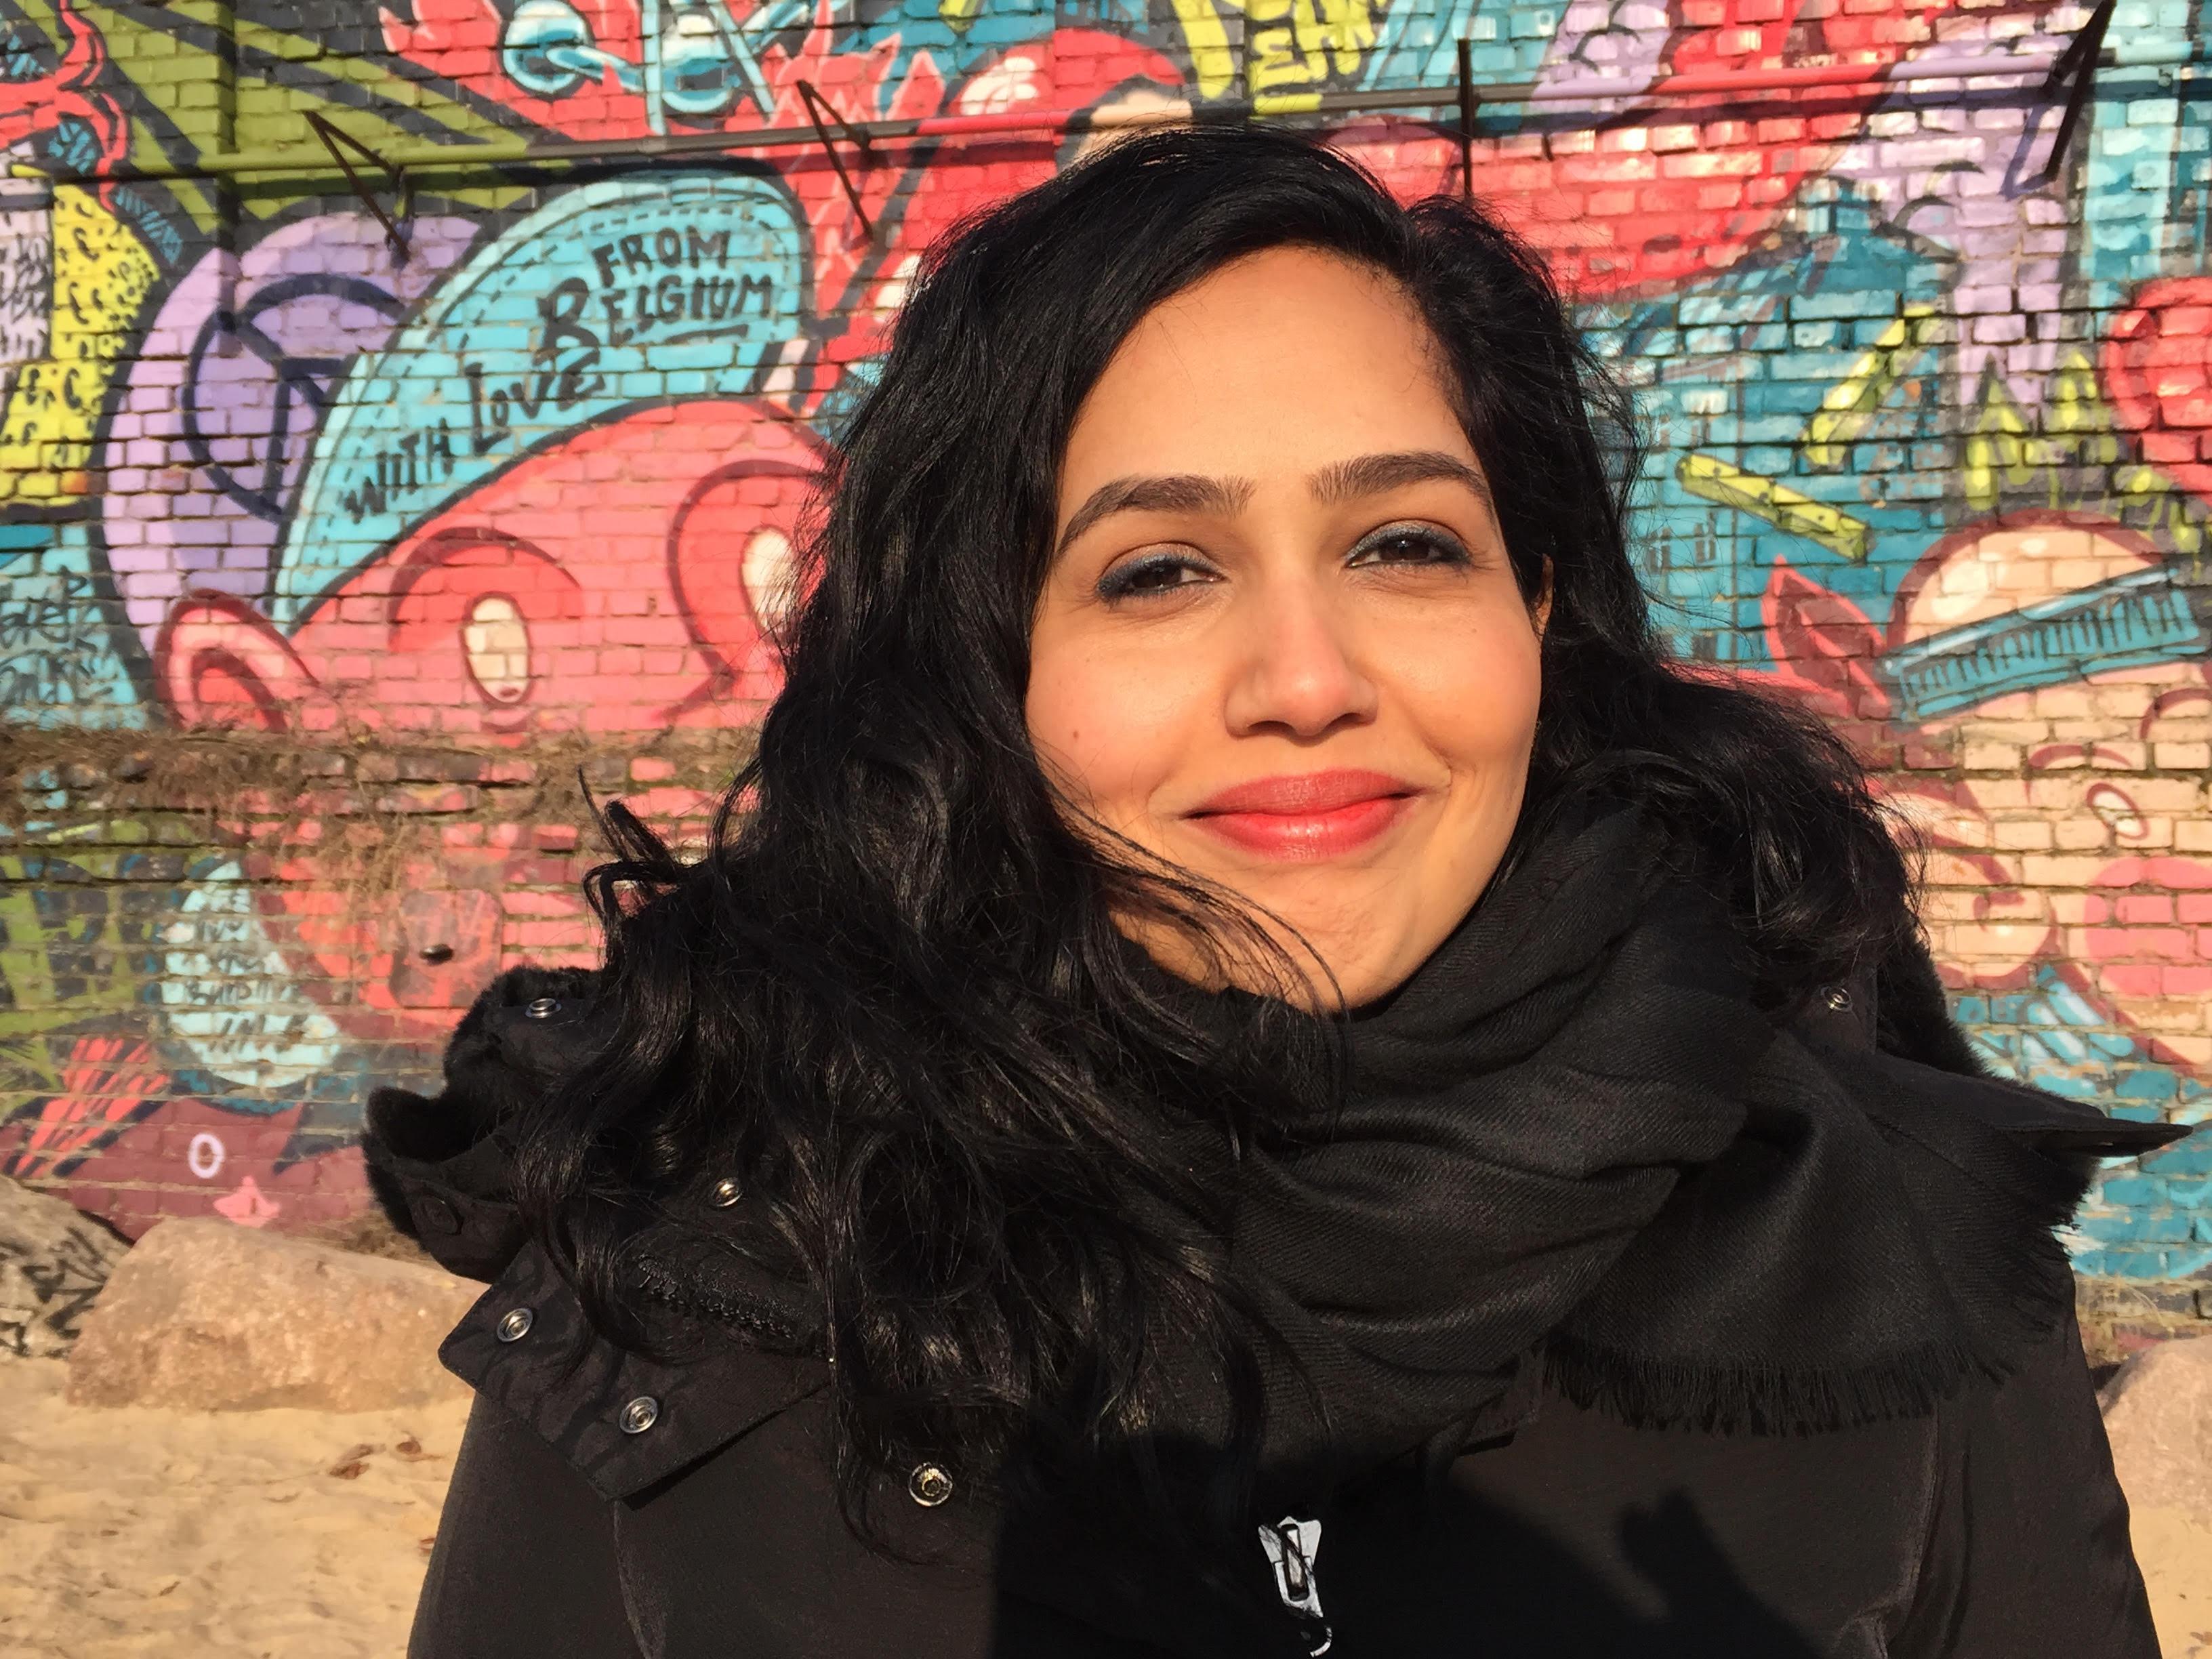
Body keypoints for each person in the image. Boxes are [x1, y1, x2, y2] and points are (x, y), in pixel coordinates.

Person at [365, 125, 2179, 1658]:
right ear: (987, 664)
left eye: (1404, 545)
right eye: (1159, 571)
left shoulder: (1878, 1245)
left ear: (1534, 607)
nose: (1307, 677)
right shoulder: (709, 1238)